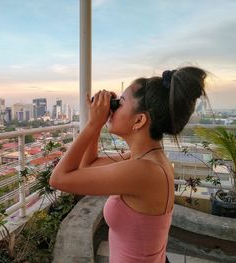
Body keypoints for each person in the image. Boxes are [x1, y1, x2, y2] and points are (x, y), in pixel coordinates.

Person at [49, 66, 207, 263]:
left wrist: (93, 124)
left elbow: (58, 179)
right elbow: (87, 165)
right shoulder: (144, 159)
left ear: (139, 120)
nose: (112, 109)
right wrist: (96, 124)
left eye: (119, 104)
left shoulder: (144, 170)